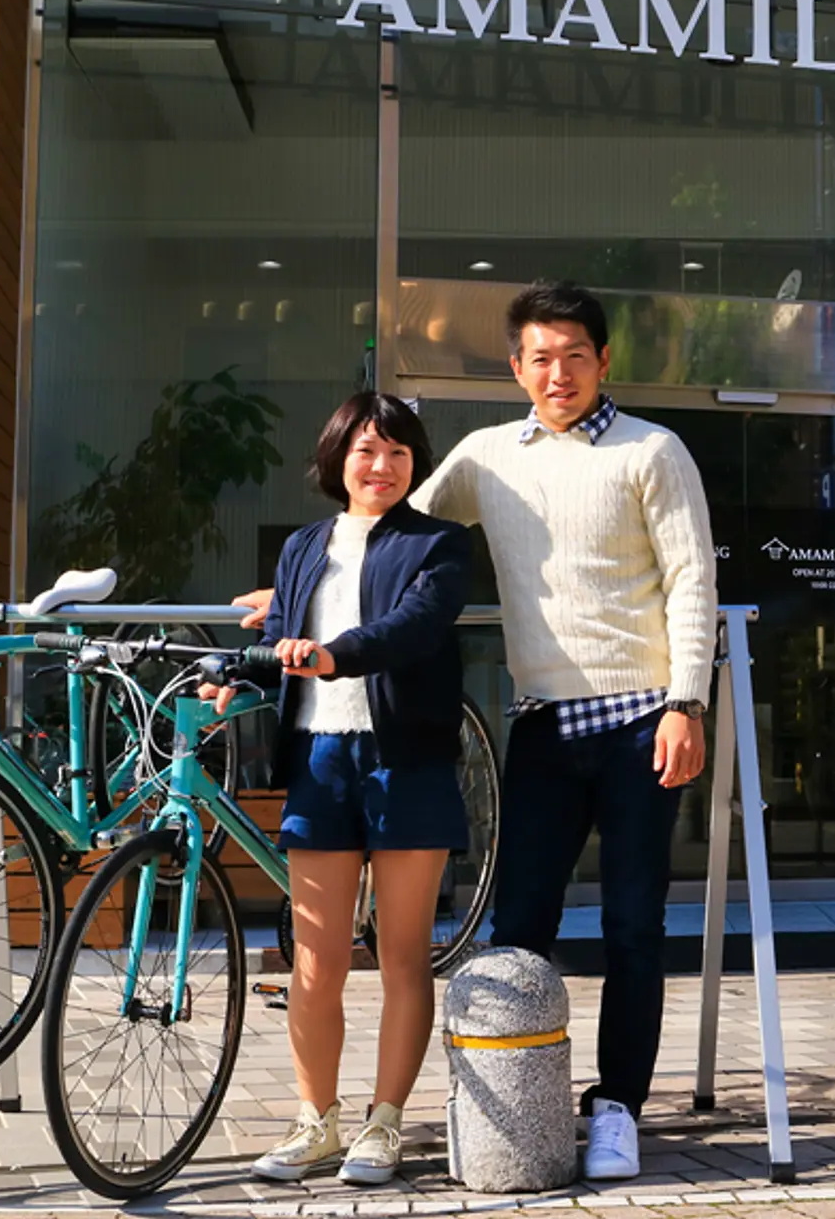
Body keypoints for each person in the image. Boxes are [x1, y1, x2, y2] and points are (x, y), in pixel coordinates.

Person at [236, 281, 718, 1181]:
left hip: (642, 715)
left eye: (575, 356)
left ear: (603, 361)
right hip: (542, 723)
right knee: (518, 924)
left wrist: (686, 704)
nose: (559, 373)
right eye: (541, 358)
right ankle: (513, 1107)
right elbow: (396, 525)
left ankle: (617, 1106)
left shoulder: (653, 450)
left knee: (632, 922)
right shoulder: (489, 455)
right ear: (516, 368)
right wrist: (303, 590)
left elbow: (693, 579)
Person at [208, 391, 472, 1186]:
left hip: (408, 760)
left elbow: (415, 627)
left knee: (402, 957)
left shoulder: (440, 543)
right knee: (315, 963)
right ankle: (314, 1121)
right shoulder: (302, 546)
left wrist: (334, 654)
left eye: (398, 452)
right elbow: (280, 635)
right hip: (321, 762)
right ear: (337, 458)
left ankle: (383, 1124)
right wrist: (236, 676)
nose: (382, 466)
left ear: (415, 464)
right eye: (366, 450)